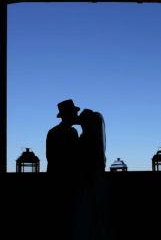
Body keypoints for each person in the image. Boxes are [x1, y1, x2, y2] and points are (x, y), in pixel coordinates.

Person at [73, 108, 109, 240]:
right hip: (94, 179)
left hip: (87, 180)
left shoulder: (85, 139)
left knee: (87, 214)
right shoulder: (94, 139)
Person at [46, 99, 80, 173]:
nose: (77, 115)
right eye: (75, 113)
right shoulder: (71, 132)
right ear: (69, 114)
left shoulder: (53, 131)